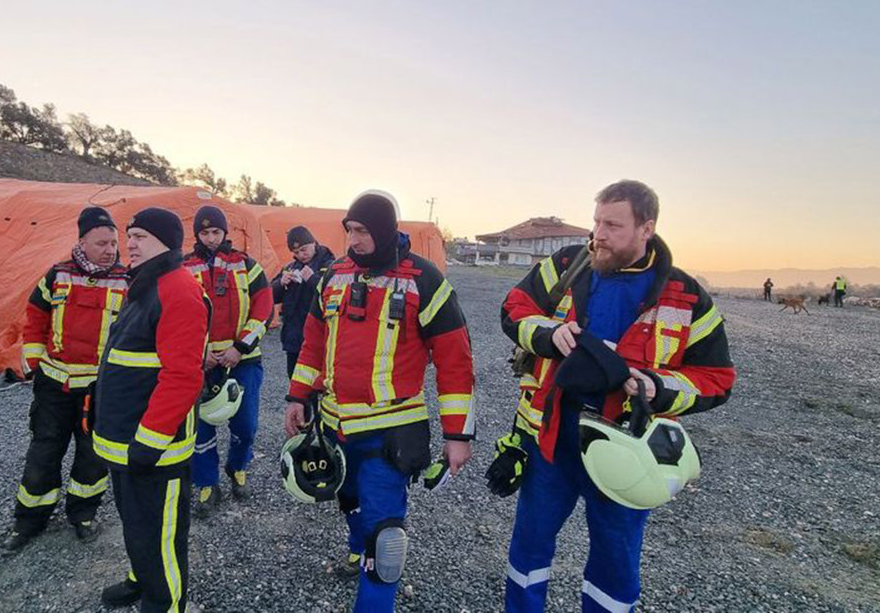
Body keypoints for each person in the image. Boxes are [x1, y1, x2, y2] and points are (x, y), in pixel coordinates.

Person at [497, 180, 735, 612]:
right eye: (596, 222)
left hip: (626, 453)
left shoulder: (686, 295)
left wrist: (658, 387)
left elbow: (717, 379)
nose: (598, 235)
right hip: (551, 439)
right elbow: (514, 308)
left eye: (612, 225)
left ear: (647, 228)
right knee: (528, 549)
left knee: (615, 566)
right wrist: (550, 334)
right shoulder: (569, 264)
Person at [283, 191, 475, 613]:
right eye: (350, 230)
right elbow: (313, 342)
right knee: (348, 500)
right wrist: (298, 395)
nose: (354, 239)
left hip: (391, 432)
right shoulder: (332, 275)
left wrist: (458, 435)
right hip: (335, 428)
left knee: (386, 535)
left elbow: (455, 363)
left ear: (386, 231)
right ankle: (357, 547)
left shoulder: (426, 281)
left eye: (363, 231)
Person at [92, 207, 210, 611]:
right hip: (126, 444)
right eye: (130, 236)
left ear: (167, 242)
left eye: (140, 236)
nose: (130, 244)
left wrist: (148, 443)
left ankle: (164, 602)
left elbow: (182, 378)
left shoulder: (178, 288)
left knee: (160, 541)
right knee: (138, 528)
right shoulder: (145, 284)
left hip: (153, 451)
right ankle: (139, 578)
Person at [1, 207, 129, 553]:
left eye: (114, 243)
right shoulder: (56, 275)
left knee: (92, 456)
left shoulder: (127, 280)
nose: (110, 249)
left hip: (99, 388)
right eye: (101, 242)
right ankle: (30, 518)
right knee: (44, 451)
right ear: (82, 241)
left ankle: (83, 514)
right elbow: (35, 317)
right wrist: (32, 357)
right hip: (54, 384)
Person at [182, 206, 273, 514]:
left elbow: (264, 309)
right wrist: (198, 353)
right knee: (200, 428)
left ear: (225, 233)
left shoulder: (247, 265)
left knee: (245, 424)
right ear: (197, 235)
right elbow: (177, 316)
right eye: (204, 233)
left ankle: (238, 467)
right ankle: (207, 482)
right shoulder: (183, 268)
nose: (210, 238)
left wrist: (240, 348)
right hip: (201, 363)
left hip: (242, 360)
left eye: (216, 232)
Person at [271, 225, 336, 377]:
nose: (301, 254)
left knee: (317, 384)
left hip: (320, 338)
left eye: (304, 249)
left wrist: (312, 279)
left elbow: (333, 294)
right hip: (294, 338)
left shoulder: (330, 265)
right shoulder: (291, 267)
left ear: (313, 242)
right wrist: (281, 283)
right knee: (294, 380)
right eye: (296, 252)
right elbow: (270, 296)